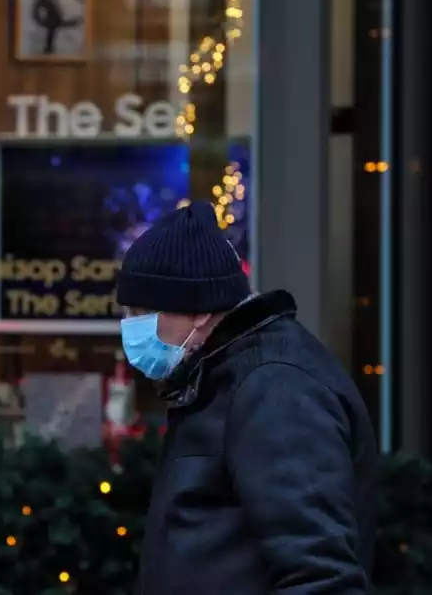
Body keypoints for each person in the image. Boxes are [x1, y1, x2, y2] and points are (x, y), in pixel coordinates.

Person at [115, 201, 377, 595]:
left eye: (143, 311)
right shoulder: (225, 376)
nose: (131, 328)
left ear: (198, 310)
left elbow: (320, 575)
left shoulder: (276, 388)